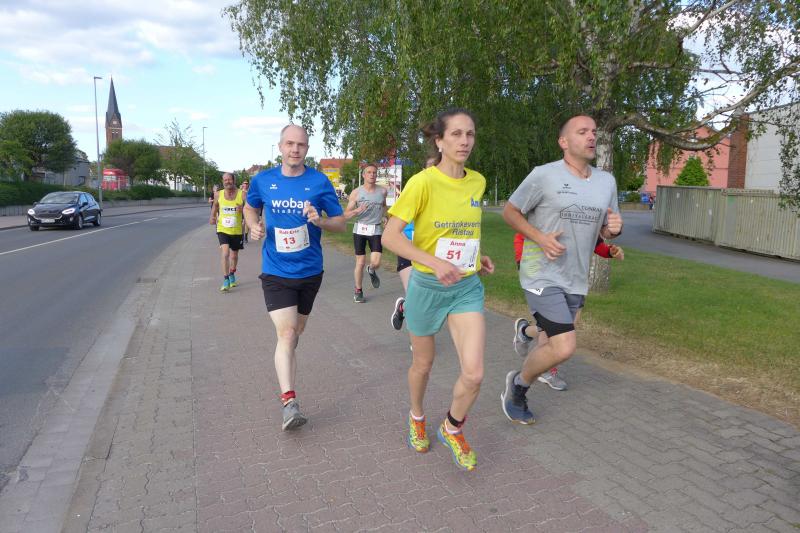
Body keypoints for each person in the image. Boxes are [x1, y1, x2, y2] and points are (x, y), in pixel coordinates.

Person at [382, 108, 494, 471]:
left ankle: (452, 427)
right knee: (423, 363)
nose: (465, 141)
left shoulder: (477, 182)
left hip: (465, 287)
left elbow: (462, 229)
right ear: (439, 141)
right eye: (456, 134)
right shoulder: (422, 183)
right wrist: (434, 262)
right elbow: (390, 237)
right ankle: (417, 416)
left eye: (470, 134)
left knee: (474, 374)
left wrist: (477, 256)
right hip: (427, 286)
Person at [501, 114, 623, 425]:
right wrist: (540, 237)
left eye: (593, 131)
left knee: (550, 342)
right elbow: (510, 212)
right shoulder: (543, 175)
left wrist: (613, 230)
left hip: (575, 276)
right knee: (564, 345)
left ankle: (523, 338)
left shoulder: (606, 182)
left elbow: (604, 229)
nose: (591, 136)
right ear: (564, 142)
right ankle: (517, 387)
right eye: (582, 132)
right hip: (540, 271)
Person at [244, 124, 345, 431]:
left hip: (310, 270)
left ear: (307, 149)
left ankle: (286, 358)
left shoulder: (319, 181)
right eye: (289, 144)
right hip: (276, 270)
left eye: (300, 145)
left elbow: (340, 223)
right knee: (287, 334)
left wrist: (320, 221)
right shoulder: (263, 180)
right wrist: (253, 225)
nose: (295, 149)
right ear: (280, 147)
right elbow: (249, 208)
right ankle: (289, 403)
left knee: (296, 331)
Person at [512, 233, 625, 390]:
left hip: (575, 279)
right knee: (557, 328)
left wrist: (608, 251)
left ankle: (525, 332)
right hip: (546, 275)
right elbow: (523, 233)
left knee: (565, 326)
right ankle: (545, 370)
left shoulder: (587, 219)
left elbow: (592, 238)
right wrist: (522, 263)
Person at [390, 156, 436, 331]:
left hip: (430, 252)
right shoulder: (414, 188)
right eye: (430, 167)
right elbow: (393, 226)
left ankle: (403, 307)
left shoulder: (447, 195)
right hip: (408, 248)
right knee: (417, 298)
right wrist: (406, 243)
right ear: (424, 169)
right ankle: (416, 341)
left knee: (427, 299)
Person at [343, 164, 387, 303]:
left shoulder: (383, 191)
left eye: (374, 172)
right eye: (369, 172)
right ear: (363, 175)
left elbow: (383, 206)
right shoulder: (356, 193)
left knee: (376, 262)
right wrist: (357, 211)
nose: (372, 175)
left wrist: (385, 217)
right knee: (360, 262)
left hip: (375, 229)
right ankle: (358, 291)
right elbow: (345, 215)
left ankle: (372, 270)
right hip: (360, 229)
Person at [209, 172, 244, 291]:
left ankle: (232, 273)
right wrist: (212, 216)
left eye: (229, 179)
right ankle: (225, 279)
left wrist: (243, 209)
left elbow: (251, 208)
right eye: (225, 180)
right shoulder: (218, 194)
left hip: (237, 230)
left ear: (234, 180)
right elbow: (215, 206)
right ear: (223, 182)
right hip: (222, 229)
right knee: (225, 253)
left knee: (234, 256)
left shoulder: (242, 194)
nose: (227, 182)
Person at [240, 179, 250, 245]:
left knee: (247, 224)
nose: (245, 184)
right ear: (242, 184)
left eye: (246, 183)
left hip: (248, 209)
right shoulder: (239, 192)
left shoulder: (250, 192)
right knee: (242, 224)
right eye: (244, 183)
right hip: (241, 209)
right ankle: (241, 236)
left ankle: (245, 237)